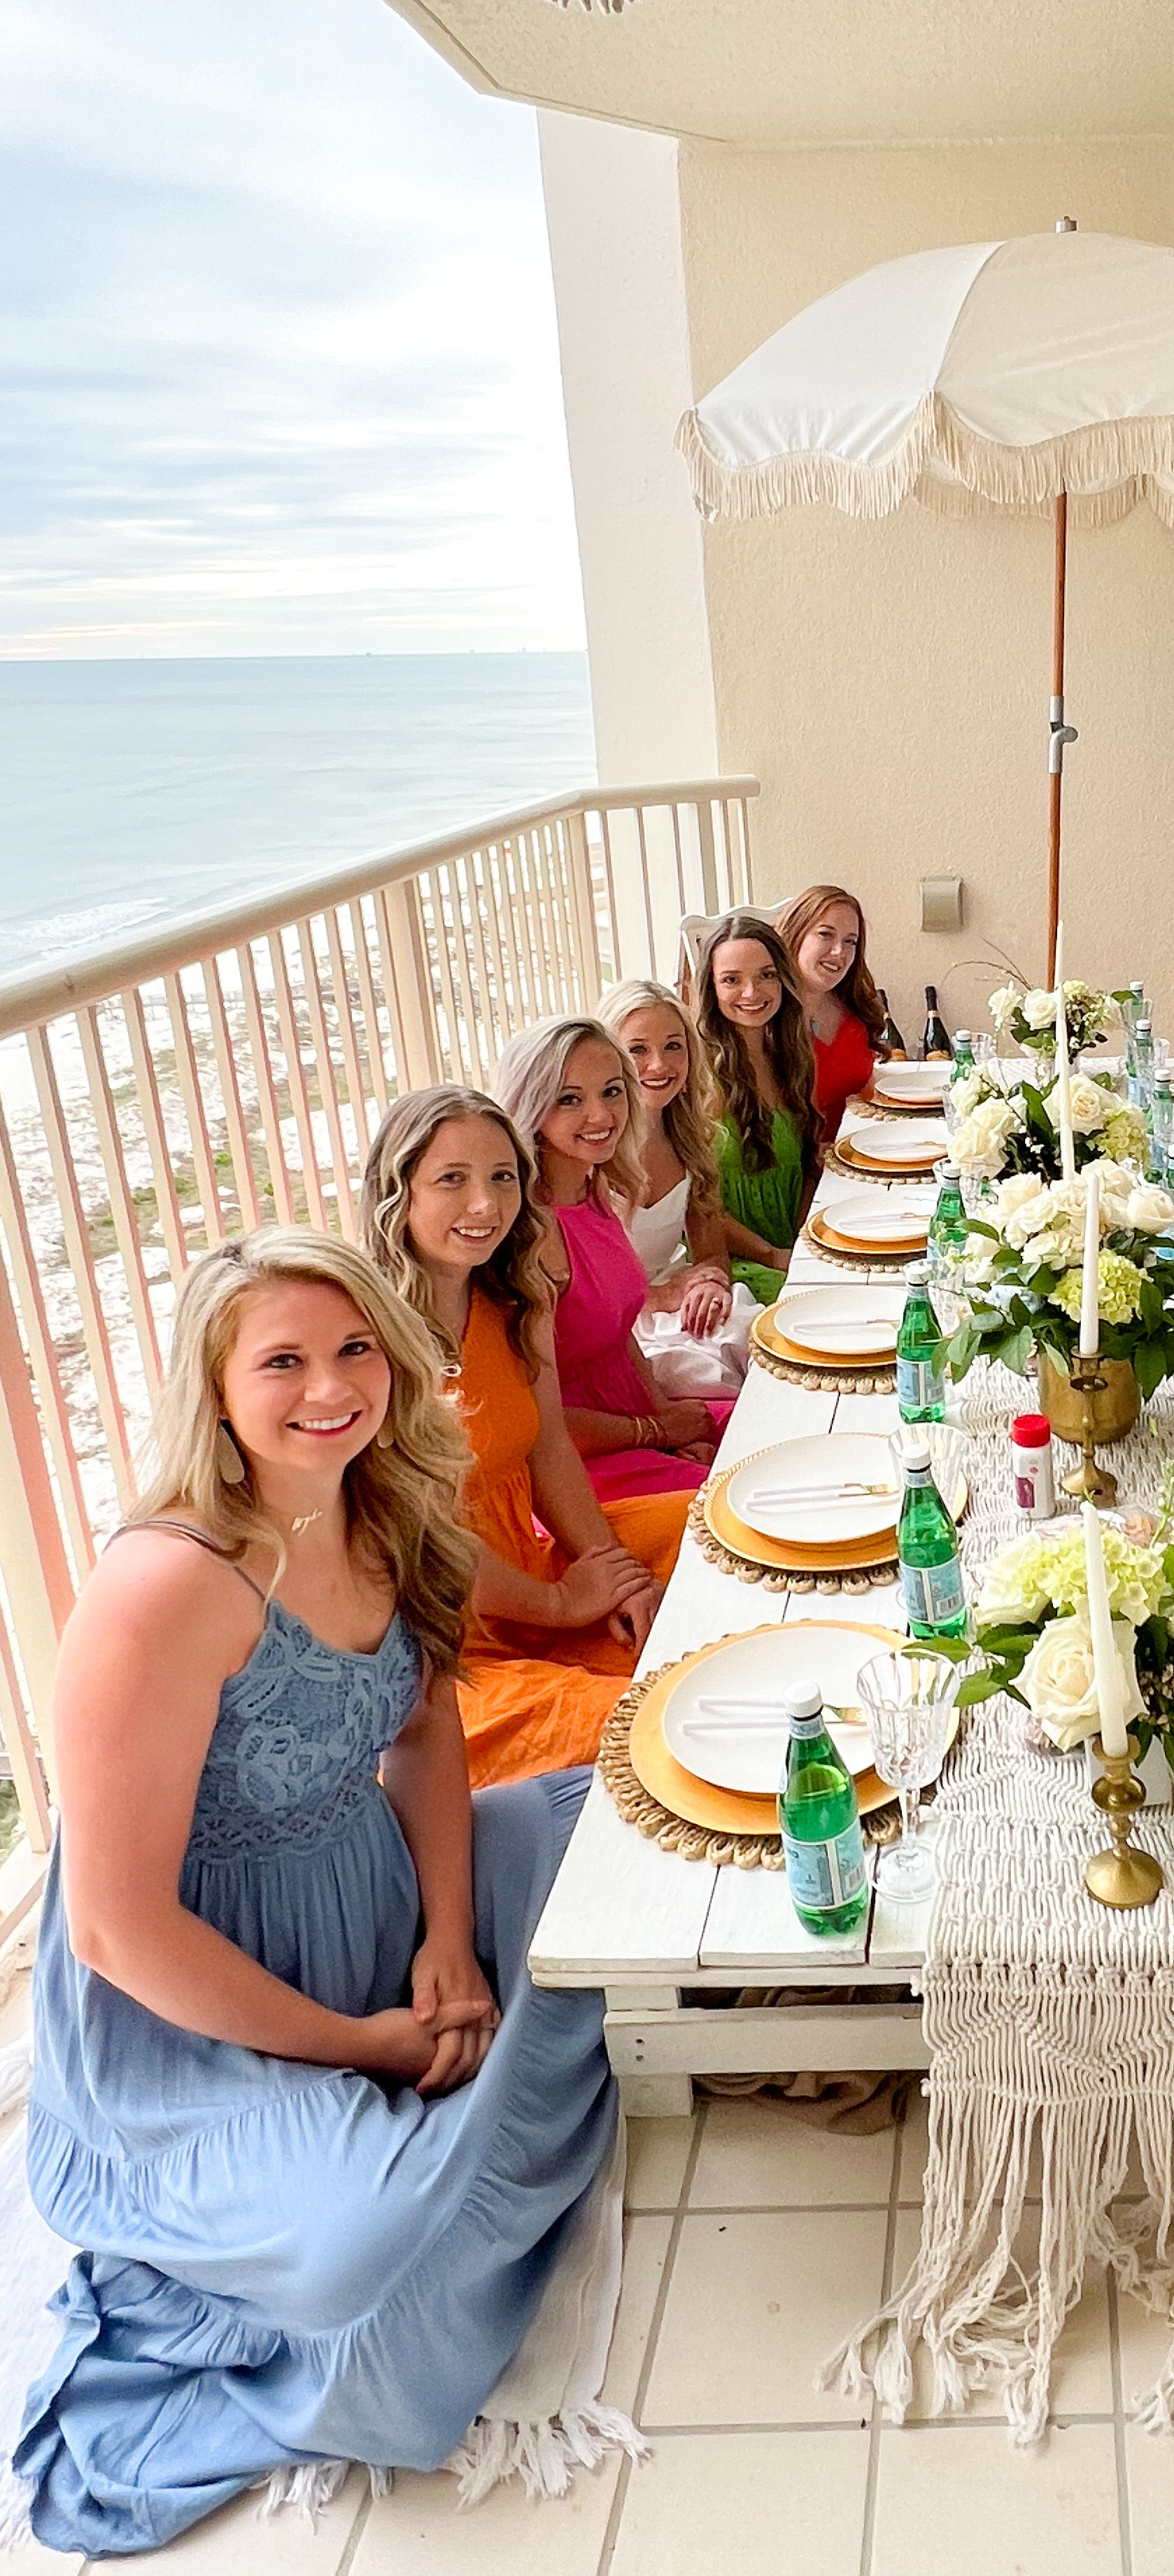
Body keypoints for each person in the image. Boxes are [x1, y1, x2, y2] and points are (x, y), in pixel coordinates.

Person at [10, 1229, 616, 2556]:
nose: (327, 1386)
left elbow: (423, 1730)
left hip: (373, 1885)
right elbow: (116, 1930)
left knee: (601, 1820)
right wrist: (361, 2045)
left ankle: (464, 2062)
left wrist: (448, 1943)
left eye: (352, 1350)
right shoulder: (166, 1584)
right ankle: (386, 2135)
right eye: (280, 1360)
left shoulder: (386, 1508)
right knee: (368, 2246)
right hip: (192, 2015)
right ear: (216, 1389)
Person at [363, 1084, 681, 1785]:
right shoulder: (366, 1343)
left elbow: (549, 1450)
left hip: (527, 1565)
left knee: (710, 1526)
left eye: (502, 1177)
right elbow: (425, 1541)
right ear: (398, 1191)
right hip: (446, 1646)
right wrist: (565, 1604)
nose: (486, 1205)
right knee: (644, 1719)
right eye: (452, 1180)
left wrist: (611, 1572)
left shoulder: (514, 1299)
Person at [495, 1015, 730, 1496]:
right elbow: (540, 1420)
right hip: (581, 1455)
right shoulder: (529, 1231)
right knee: (736, 1501)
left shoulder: (596, 1189)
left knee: (773, 1421)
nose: (601, 1116)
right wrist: (659, 1433)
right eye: (570, 1099)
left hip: (635, 1412)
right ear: (532, 1106)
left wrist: (665, 1415)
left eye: (611, 1091)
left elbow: (621, 1334)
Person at [601, 977, 750, 1401]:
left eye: (673, 1046)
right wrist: (661, 1295)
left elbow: (711, 1250)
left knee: (765, 1350)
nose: (659, 1065)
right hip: (620, 1322)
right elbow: (575, 1293)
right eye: (637, 1050)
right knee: (706, 1375)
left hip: (678, 1296)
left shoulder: (689, 1137)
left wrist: (711, 1281)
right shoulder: (592, 1152)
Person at [682, 911, 822, 1306]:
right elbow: (698, 1205)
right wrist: (775, 1256)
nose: (752, 992)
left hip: (792, 1247)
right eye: (732, 980)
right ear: (711, 988)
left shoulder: (791, 1056)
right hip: (738, 1264)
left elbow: (808, 1164)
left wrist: (804, 1242)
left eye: (766, 975)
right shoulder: (697, 1077)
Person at [779, 883, 888, 1144]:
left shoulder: (853, 1005)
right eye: (825, 935)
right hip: (805, 1171)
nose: (839, 952)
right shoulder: (767, 1016)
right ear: (796, 933)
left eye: (850, 941)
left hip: (868, 1151)